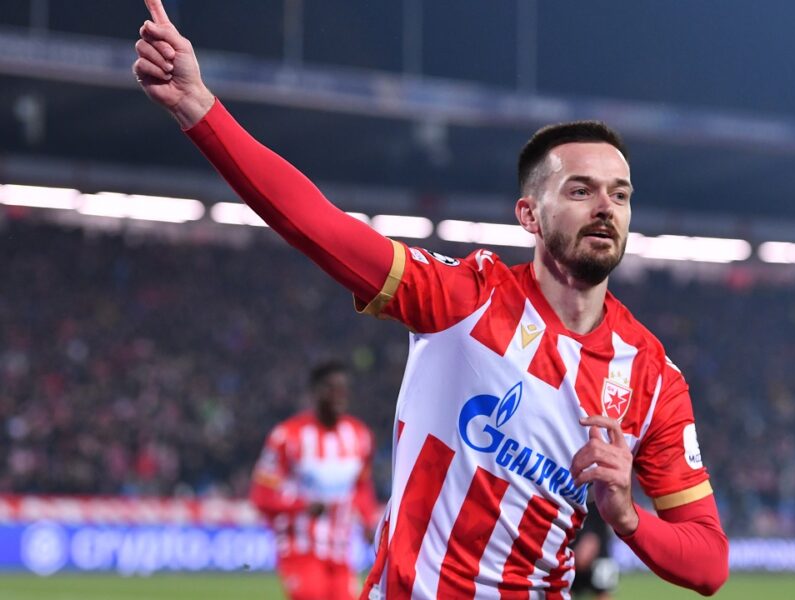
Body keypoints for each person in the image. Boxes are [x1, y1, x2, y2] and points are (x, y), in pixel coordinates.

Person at [133, 1, 729, 597]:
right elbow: (316, 223)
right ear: (529, 214)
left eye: (620, 195)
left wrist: (627, 516)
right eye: (581, 190)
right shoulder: (464, 298)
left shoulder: (652, 377)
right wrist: (198, 107)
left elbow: (709, 564)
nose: (605, 207)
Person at [250, 360, 378, 600]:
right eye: (331, 389)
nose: (338, 396)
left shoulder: (360, 436)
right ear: (315, 392)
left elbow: (361, 486)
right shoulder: (287, 437)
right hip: (300, 548)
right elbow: (262, 495)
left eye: (343, 390)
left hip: (342, 550)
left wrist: (368, 521)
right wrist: (302, 505)